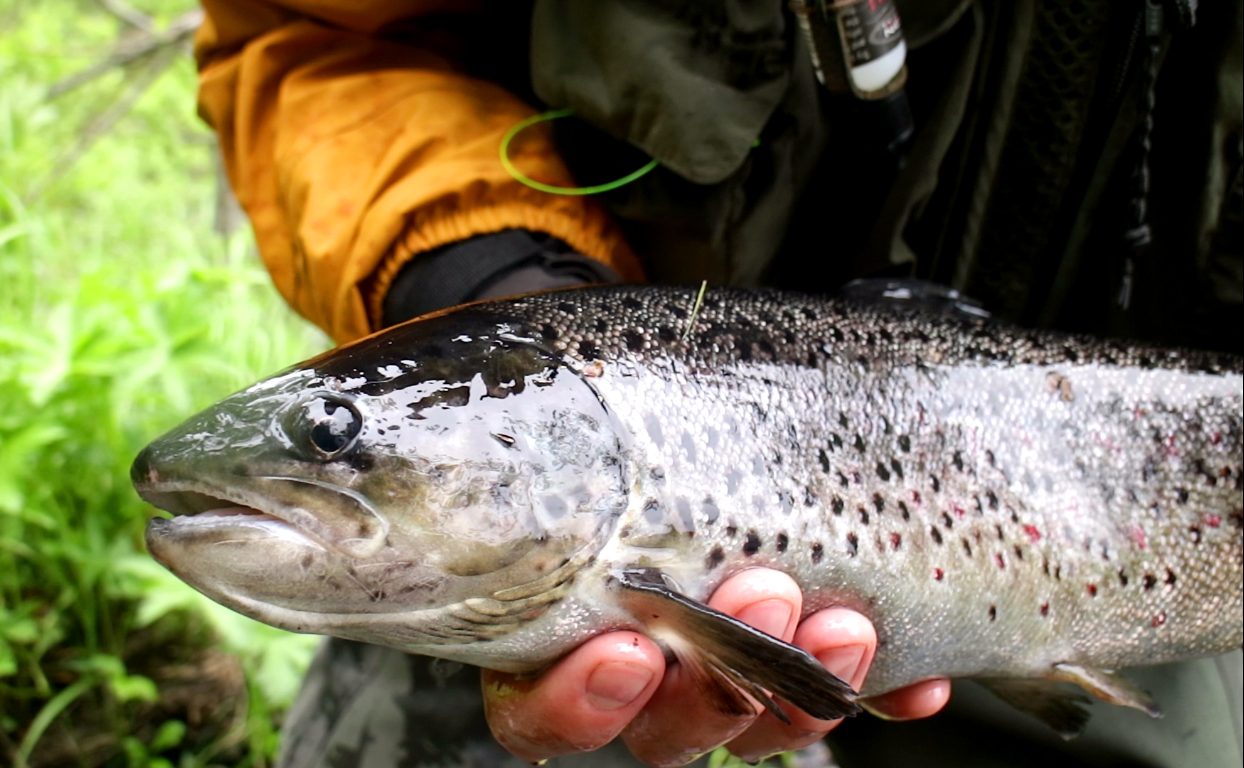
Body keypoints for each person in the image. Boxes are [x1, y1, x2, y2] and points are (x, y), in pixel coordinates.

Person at [189, 0, 1243, 765]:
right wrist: (491, 285)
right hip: (586, 306)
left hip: (1167, 489)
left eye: (332, 437)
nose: (330, 451)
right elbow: (321, 37)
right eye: (335, 436)